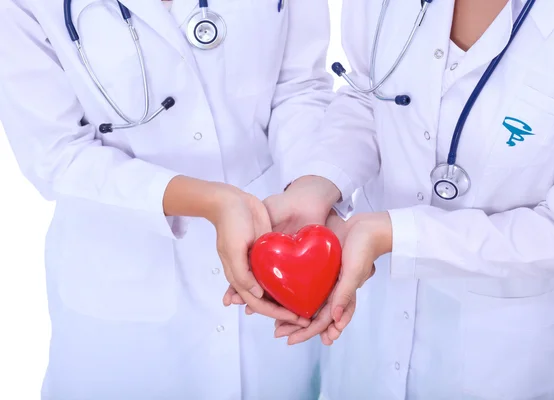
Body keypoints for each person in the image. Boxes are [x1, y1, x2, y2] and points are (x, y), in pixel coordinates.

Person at [250, 0, 554, 398]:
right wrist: (319, 183)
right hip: (367, 344)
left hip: (509, 366)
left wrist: (400, 234)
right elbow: (368, 94)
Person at [0, 0, 334, 398]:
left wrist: (306, 187)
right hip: (124, 283)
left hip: (275, 251)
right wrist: (211, 201)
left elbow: (299, 87)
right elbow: (56, 154)